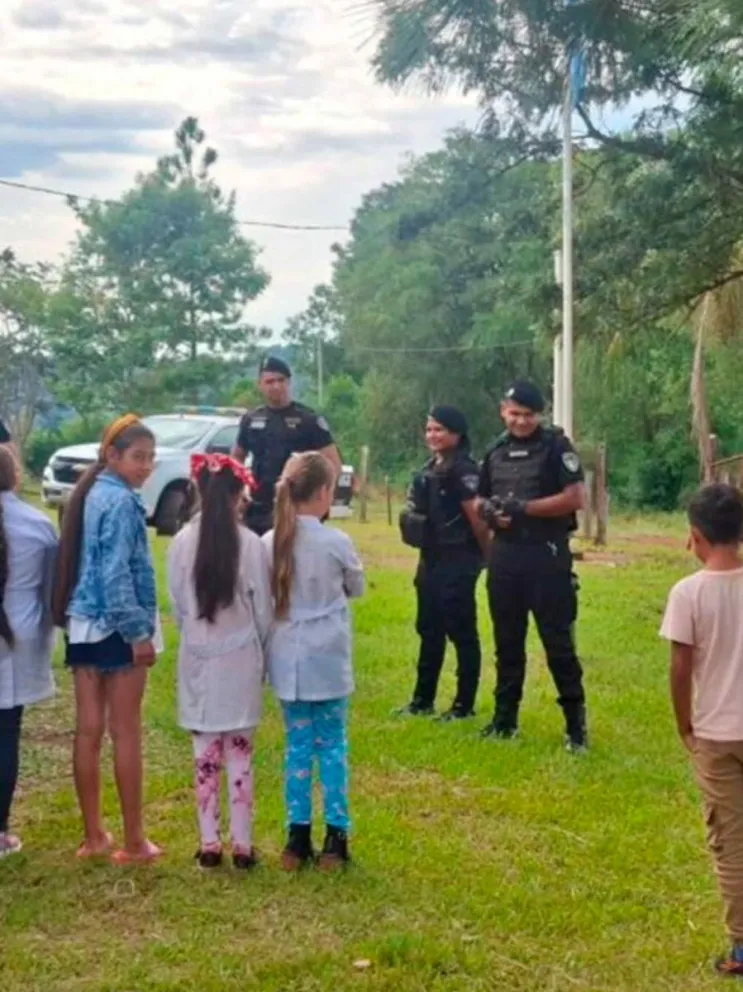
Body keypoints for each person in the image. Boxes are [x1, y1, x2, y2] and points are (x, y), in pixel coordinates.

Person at [52, 414, 163, 864]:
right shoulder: (121, 504)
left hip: (83, 622)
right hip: (117, 627)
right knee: (126, 733)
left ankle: (94, 834)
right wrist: (138, 633)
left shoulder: (93, 494)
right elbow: (118, 574)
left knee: (88, 732)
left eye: (151, 458)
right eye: (138, 457)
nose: (146, 467)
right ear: (112, 456)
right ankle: (134, 841)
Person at [168, 453, 272, 871]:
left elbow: (177, 604)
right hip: (241, 655)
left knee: (205, 753)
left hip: (198, 655)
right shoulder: (249, 544)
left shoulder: (179, 544)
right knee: (240, 753)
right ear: (238, 495)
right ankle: (242, 844)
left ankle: (209, 842)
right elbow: (263, 607)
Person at [262, 452, 364, 871]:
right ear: (323, 493)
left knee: (298, 747)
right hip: (327, 657)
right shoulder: (335, 542)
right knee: (333, 745)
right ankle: (336, 838)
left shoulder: (269, 542)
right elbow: (355, 587)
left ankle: (296, 836)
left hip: (288, 656)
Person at [661, 483, 743, 977]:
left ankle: (742, 948)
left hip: (714, 733)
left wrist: (685, 726)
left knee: (731, 841)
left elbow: (679, 666)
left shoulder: (687, 593)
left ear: (694, 537)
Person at [478, 381, 587, 751]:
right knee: (507, 642)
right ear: (502, 411)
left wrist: (525, 509)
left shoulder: (557, 446)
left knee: (557, 642)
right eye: (514, 413)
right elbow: (480, 497)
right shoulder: (495, 451)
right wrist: (490, 512)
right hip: (506, 556)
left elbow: (576, 498)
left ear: (539, 414)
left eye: (528, 414)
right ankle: (504, 720)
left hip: (547, 553)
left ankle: (575, 728)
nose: (521, 421)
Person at [397, 405, 490, 720]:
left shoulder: (464, 470)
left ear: (456, 434)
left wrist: (486, 558)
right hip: (431, 558)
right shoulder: (431, 467)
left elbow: (477, 519)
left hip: (459, 558)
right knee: (429, 629)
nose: (432, 436)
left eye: (440, 429)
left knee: (461, 632)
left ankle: (464, 705)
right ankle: (422, 700)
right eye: (429, 429)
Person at [0, 447, 58, 857]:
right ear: (16, 478)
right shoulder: (39, 525)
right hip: (17, 639)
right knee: (6, 735)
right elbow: (51, 595)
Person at [232, 355, 342, 536]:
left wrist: (320, 501)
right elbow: (237, 458)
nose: (276, 386)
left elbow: (332, 463)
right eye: (269, 381)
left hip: (296, 508)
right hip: (258, 508)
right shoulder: (251, 420)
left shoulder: (308, 420)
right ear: (260, 384)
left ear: (289, 382)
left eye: (281, 380)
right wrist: (238, 491)